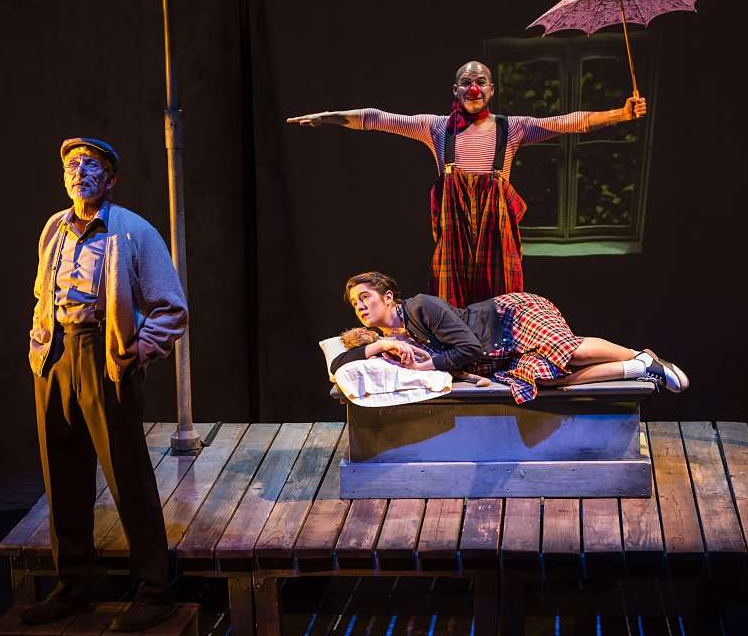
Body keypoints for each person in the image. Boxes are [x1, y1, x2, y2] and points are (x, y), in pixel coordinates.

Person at [288, 61, 647, 307]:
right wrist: (328, 116)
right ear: (456, 89)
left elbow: (570, 122)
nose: (474, 88)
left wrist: (621, 113)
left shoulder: (513, 128)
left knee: (501, 301)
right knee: (451, 301)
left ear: (491, 89)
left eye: (481, 82)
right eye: (466, 82)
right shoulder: (436, 127)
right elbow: (378, 118)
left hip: (496, 229)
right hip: (454, 229)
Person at [23, 138, 188, 631]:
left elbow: (172, 308)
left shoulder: (132, 231)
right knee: (62, 475)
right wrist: (40, 340)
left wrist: (138, 349)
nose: (79, 172)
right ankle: (73, 585)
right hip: (56, 355)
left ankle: (154, 591)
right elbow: (42, 292)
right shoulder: (54, 227)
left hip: (104, 353)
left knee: (126, 473)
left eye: (90, 165)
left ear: (111, 180)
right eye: (72, 165)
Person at [331, 271, 687, 404]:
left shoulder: (421, 307)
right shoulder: (389, 342)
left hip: (510, 318)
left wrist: (431, 364)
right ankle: (642, 366)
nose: (360, 305)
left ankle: (635, 353)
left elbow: (469, 346)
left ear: (387, 297)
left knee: (569, 354)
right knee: (547, 377)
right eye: (354, 302)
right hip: (499, 358)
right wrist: (379, 344)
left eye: (365, 297)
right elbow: (338, 364)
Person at [340, 326, 491, 387]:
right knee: (448, 371)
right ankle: (476, 378)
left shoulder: (383, 341)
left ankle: (477, 378)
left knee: (452, 369)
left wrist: (423, 354)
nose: (363, 331)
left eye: (362, 330)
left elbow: (407, 347)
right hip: (409, 366)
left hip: (417, 360)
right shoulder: (367, 352)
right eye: (358, 334)